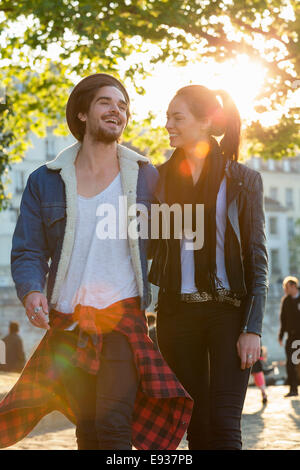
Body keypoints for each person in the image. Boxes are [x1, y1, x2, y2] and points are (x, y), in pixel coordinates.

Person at [0, 73, 193, 450]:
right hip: (69, 323)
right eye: (107, 102)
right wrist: (31, 291)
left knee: (113, 422)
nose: (116, 111)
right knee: (88, 428)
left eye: (123, 106)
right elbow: (28, 249)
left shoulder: (146, 176)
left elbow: (174, 237)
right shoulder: (45, 180)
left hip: (122, 320)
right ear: (83, 113)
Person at [149, 85, 268, 450]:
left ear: (204, 122)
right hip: (176, 314)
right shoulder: (157, 179)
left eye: (176, 117)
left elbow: (256, 258)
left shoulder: (243, 179)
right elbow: (149, 247)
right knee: (196, 425)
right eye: (167, 116)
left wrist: (253, 327)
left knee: (224, 423)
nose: (167, 124)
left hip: (229, 313)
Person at [278, 276, 300, 397]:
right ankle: (293, 390)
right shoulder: (286, 301)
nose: (285, 290)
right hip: (292, 337)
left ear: (293, 286)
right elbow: (283, 319)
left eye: (286, 287)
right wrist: (281, 335)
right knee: (291, 363)